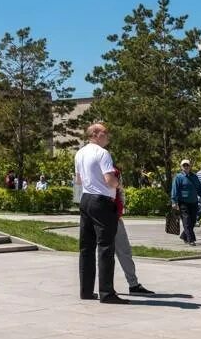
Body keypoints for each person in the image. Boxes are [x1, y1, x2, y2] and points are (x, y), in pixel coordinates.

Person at [74, 123, 128, 304]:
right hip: (102, 202)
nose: (108, 136)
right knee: (105, 247)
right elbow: (109, 180)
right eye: (105, 133)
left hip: (86, 199)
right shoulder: (103, 153)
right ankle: (107, 293)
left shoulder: (79, 153)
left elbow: (78, 180)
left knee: (86, 248)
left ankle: (86, 291)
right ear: (95, 134)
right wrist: (119, 185)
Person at [111, 167, 154, 295]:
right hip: (112, 217)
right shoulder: (112, 172)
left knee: (103, 253)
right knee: (122, 251)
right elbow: (118, 191)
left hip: (106, 215)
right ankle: (133, 285)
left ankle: (102, 287)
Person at [171, 159, 201, 246]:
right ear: (181, 167)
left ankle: (184, 235)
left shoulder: (194, 177)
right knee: (187, 221)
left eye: (187, 165)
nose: (186, 167)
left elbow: (199, 189)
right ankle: (191, 240)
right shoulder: (178, 177)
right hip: (183, 203)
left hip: (194, 202)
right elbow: (175, 190)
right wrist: (174, 201)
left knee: (193, 221)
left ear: (190, 167)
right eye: (184, 165)